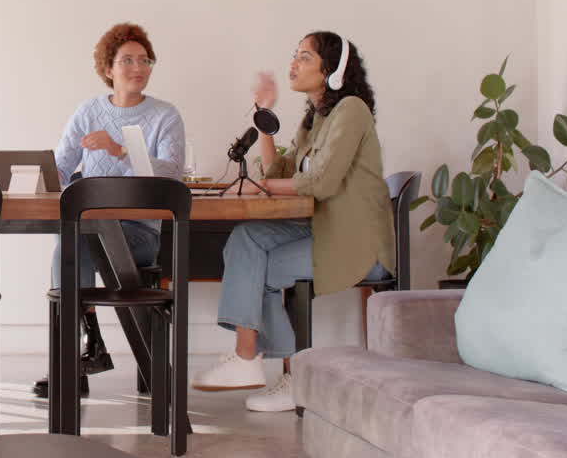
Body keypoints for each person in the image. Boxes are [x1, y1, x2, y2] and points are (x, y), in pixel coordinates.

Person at [191, 31, 394, 412]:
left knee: (257, 263)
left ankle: (277, 371)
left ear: (331, 70)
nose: (293, 63)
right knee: (246, 239)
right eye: (294, 55)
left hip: (356, 244)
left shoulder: (351, 110)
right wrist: (264, 118)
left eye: (304, 56)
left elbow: (324, 181)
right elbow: (278, 169)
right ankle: (256, 363)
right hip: (323, 231)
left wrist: (262, 185)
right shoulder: (315, 119)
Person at [33, 22, 186, 398]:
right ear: (108, 69)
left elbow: (171, 172)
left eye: (145, 60)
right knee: (73, 240)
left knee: (72, 242)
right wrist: (32, 174)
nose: (138, 67)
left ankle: (83, 351)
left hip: (141, 233)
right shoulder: (88, 112)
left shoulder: (165, 116)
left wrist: (118, 149)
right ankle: (84, 350)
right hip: (91, 230)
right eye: (127, 60)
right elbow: (61, 166)